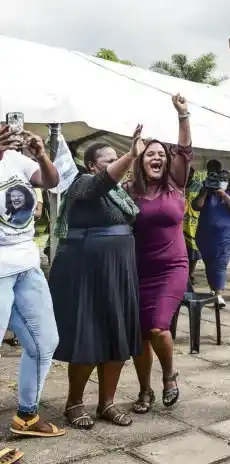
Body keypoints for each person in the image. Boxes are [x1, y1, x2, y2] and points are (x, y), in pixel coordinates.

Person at [49, 132, 143, 429]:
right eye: (110, 161)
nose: (117, 165)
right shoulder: (81, 184)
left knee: (117, 337)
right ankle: (74, 403)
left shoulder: (120, 195)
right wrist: (130, 156)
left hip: (118, 271)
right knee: (88, 337)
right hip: (88, 272)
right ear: (92, 166)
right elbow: (101, 184)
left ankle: (107, 403)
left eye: (119, 160)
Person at [125, 94, 193, 414]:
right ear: (141, 159)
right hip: (138, 271)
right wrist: (130, 153)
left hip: (172, 268)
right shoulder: (131, 190)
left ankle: (168, 375)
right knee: (139, 333)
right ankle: (144, 390)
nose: (157, 158)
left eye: (160, 154)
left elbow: (185, 149)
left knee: (157, 326)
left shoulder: (175, 184)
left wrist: (183, 115)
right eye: (150, 153)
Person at [0, 125, 63, 438]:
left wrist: (41, 156)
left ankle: (26, 415)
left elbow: (51, 181)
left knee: (44, 342)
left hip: (26, 264)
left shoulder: (14, 158)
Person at [192, 160, 230, 306]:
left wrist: (223, 194)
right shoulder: (205, 191)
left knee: (220, 265)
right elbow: (197, 205)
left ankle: (218, 294)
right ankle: (214, 291)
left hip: (225, 237)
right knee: (210, 264)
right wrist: (205, 190)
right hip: (205, 236)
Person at [183, 166, 202, 284]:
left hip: (194, 221)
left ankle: (191, 273)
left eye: (189, 173)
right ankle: (183, 273)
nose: (187, 175)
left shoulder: (198, 187)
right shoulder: (176, 185)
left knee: (194, 250)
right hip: (180, 222)